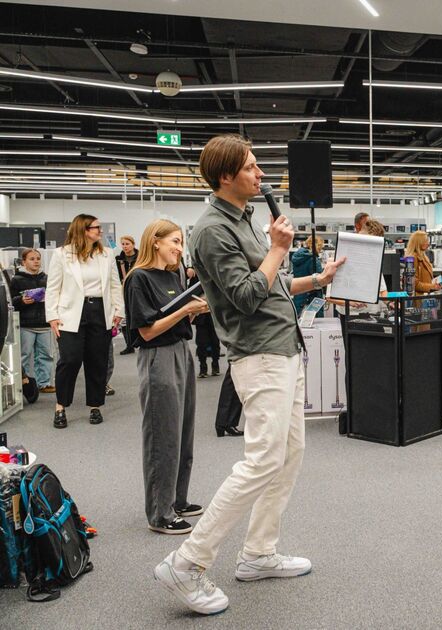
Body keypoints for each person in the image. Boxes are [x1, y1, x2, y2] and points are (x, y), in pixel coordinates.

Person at [153, 133, 344, 615]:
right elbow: (244, 296)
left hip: (284, 347)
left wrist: (317, 280)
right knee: (261, 461)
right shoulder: (211, 230)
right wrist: (278, 248)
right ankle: (186, 562)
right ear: (226, 176)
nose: (261, 175)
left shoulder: (246, 220)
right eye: (252, 168)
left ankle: (258, 553)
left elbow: (273, 284)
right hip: (259, 355)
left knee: (288, 456)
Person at [124, 219, 210, 535]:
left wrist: (192, 311)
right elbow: (147, 331)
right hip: (157, 356)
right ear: (155, 241)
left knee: (183, 429)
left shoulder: (173, 275)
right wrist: (184, 310)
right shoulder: (138, 278)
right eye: (174, 241)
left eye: (180, 242)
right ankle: (160, 513)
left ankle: (177, 499)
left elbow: (174, 320)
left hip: (182, 351)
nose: (179, 247)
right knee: (163, 434)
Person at [45, 214, 124, 429]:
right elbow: (53, 287)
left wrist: (119, 310)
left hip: (100, 310)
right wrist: (52, 315)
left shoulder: (106, 253)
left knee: (97, 360)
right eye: (97, 227)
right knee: (69, 360)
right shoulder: (61, 254)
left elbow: (115, 284)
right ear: (83, 230)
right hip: (71, 313)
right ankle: (61, 406)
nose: (101, 231)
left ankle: (95, 406)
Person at [11, 248, 54, 401]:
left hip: (44, 323)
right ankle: (26, 385)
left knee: (46, 355)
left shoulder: (47, 278)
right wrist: (21, 300)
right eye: (32, 259)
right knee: (25, 356)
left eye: (38, 258)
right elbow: (11, 301)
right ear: (24, 262)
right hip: (25, 324)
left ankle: (44, 383)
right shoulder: (16, 280)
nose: (36, 261)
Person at [187, 267, 221, 377]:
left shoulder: (214, 273)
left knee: (215, 341)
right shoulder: (195, 275)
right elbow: (190, 293)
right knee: (201, 342)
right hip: (200, 315)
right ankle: (203, 368)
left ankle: (215, 365)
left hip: (213, 313)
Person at [115, 235, 139, 355]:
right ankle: (129, 345)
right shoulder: (118, 259)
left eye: (127, 244)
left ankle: (141, 339)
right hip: (123, 289)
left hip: (138, 289)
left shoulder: (140, 257)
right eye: (123, 244)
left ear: (133, 244)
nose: (125, 246)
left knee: (138, 314)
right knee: (124, 317)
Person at [291, 236, 324, 314]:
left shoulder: (298, 256)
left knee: (299, 318)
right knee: (314, 320)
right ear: (317, 246)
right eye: (321, 247)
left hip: (299, 294)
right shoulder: (313, 259)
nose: (321, 249)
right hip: (311, 298)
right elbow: (320, 280)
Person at [404, 230, 441, 295]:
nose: (428, 243)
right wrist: (432, 286)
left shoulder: (423, 256)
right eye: (426, 241)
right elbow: (413, 283)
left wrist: (434, 284)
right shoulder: (413, 258)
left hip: (425, 296)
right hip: (419, 297)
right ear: (419, 242)